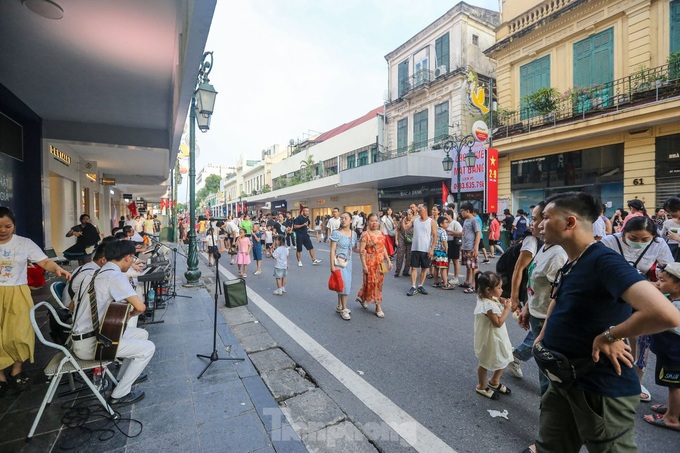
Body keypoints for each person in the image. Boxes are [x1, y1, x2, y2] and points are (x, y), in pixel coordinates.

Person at [531, 191, 680, 452]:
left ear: (570, 222)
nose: (540, 224)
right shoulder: (575, 259)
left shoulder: (604, 261)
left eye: (546, 217)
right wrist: (542, 338)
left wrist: (610, 335)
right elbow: (560, 298)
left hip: (599, 391)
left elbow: (666, 314)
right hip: (564, 383)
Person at [70, 240, 154, 406]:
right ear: (128, 258)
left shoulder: (92, 274)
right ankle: (120, 394)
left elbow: (71, 306)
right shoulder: (114, 276)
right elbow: (140, 307)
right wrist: (128, 316)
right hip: (91, 345)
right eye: (132, 257)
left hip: (80, 338)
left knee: (141, 334)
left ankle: (122, 378)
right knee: (148, 348)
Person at [601, 216, 674, 402]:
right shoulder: (610, 241)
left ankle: (636, 380)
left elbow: (670, 269)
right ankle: (608, 376)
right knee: (611, 334)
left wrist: (658, 284)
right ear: (624, 232)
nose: (639, 243)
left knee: (641, 340)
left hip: (640, 294)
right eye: (633, 238)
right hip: (610, 294)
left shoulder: (659, 244)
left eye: (644, 240)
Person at [0, 207, 71, 395]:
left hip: (17, 292)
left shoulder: (24, 243)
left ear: (14, 225)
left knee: (20, 333)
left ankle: (16, 370)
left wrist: (57, 269)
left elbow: (44, 261)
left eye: (8, 226)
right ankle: (0, 376)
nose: (3, 230)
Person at [512, 203, 567, 393]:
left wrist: (545, 328)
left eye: (536, 219)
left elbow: (558, 295)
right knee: (542, 365)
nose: (532, 224)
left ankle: (549, 413)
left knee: (547, 372)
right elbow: (537, 284)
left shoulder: (558, 255)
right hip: (537, 315)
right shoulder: (544, 248)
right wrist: (528, 307)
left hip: (547, 320)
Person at [642, 263, 680, 431]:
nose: (658, 283)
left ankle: (671, 418)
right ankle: (675, 409)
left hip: (674, 354)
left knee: (675, 385)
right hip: (669, 351)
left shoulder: (675, 306)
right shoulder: (672, 298)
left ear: (678, 285)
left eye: (662, 280)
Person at [473, 270, 513, 400]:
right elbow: (498, 323)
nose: (502, 290)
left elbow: (497, 299)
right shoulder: (488, 306)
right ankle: (482, 385)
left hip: (498, 337)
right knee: (485, 361)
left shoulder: (487, 297)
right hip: (490, 338)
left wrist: (501, 300)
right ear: (489, 290)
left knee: (504, 357)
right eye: (499, 287)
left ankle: (494, 381)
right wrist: (506, 309)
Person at [356, 213, 391, 318]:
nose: (374, 223)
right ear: (368, 222)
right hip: (370, 262)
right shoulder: (365, 235)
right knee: (372, 284)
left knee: (378, 284)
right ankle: (378, 307)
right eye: (372, 221)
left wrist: (388, 261)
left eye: (376, 220)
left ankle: (362, 297)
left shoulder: (381, 233)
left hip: (379, 263)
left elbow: (383, 248)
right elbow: (362, 251)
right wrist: (364, 265)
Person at [330, 212, 358, 319]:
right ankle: (344, 309)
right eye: (342, 218)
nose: (343, 220)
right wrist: (332, 265)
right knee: (344, 285)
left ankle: (340, 305)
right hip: (339, 263)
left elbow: (354, 248)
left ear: (351, 220)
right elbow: (332, 250)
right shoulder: (336, 233)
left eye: (346, 218)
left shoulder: (354, 234)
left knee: (342, 284)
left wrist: (361, 251)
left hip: (348, 263)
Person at [406, 204, 437, 297]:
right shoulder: (415, 220)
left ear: (425, 209)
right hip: (415, 248)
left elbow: (435, 236)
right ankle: (413, 286)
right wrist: (405, 218)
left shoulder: (431, 222)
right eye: (417, 208)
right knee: (414, 268)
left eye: (420, 208)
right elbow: (405, 227)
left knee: (424, 269)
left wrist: (432, 249)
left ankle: (420, 285)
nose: (418, 209)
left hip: (426, 249)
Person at [460, 203, 481, 294]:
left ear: (467, 211)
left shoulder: (474, 220)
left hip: (471, 247)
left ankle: (474, 285)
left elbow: (478, 233)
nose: (461, 213)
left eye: (462, 211)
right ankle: (467, 282)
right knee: (469, 266)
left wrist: (475, 247)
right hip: (465, 246)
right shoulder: (466, 220)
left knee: (473, 267)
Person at [431, 216, 452, 289]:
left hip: (434, 251)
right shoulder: (443, 231)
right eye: (446, 222)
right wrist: (446, 249)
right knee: (443, 268)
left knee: (436, 267)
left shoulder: (435, 230)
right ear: (441, 224)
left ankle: (436, 282)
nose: (447, 224)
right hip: (441, 252)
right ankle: (445, 283)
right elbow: (444, 242)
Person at [394, 209, 413, 278]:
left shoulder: (414, 222)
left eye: (410, 214)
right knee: (400, 255)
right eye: (407, 214)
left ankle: (406, 271)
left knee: (409, 256)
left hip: (411, 240)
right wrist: (396, 239)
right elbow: (397, 230)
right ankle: (397, 271)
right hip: (401, 239)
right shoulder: (401, 221)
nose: (408, 216)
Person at [661, 196, 680, 261]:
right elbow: (662, 238)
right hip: (672, 252)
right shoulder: (667, 223)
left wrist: (677, 238)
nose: (671, 214)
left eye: (674, 211)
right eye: (669, 212)